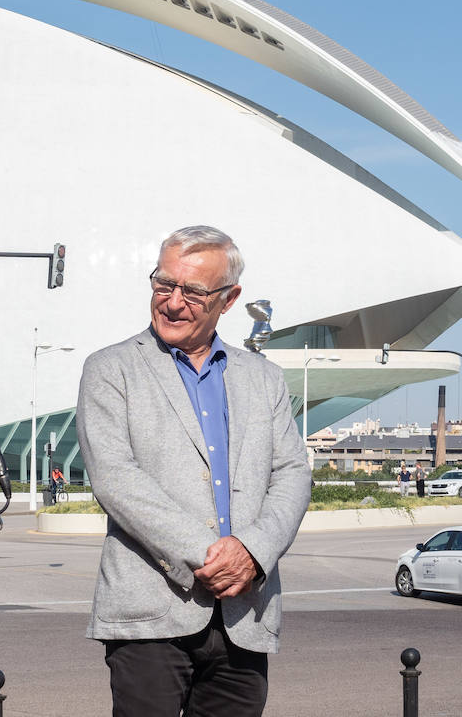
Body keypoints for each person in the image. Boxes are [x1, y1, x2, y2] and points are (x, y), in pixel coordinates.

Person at [77, 226, 310, 717]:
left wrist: (253, 553)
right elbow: (116, 478)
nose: (173, 302)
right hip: (150, 614)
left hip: (244, 612)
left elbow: (291, 474)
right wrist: (213, 558)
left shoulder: (263, 377)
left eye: (193, 292)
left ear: (229, 299)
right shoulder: (110, 369)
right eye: (164, 285)